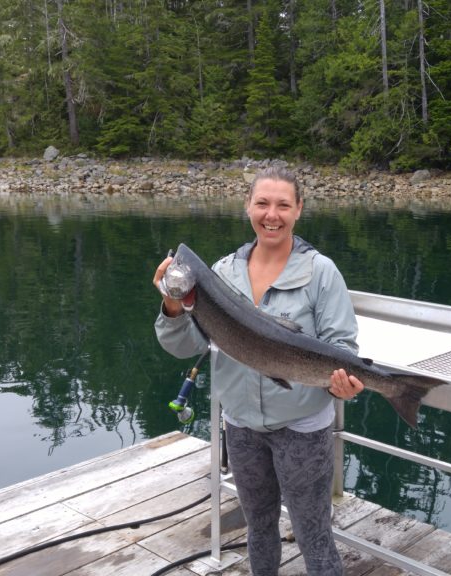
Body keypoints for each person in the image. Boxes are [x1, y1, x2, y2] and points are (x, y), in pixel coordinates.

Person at [152, 166, 364, 576]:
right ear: (247, 206)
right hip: (242, 426)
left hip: (303, 428)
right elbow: (184, 346)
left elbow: (342, 348)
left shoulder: (322, 273)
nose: (272, 214)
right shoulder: (220, 273)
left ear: (299, 209)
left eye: (283, 204)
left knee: (313, 535)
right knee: (259, 528)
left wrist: (342, 385)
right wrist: (174, 305)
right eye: (263, 203)